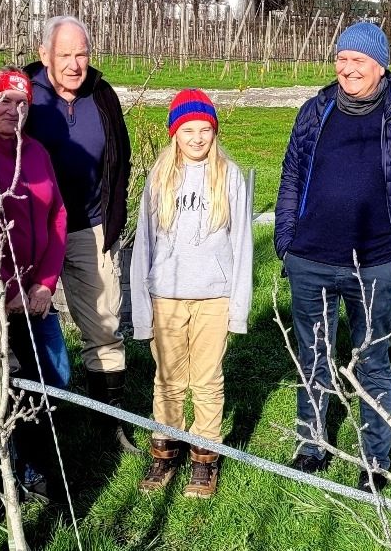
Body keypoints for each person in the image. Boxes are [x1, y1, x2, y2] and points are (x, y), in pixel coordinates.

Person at [274, 21, 391, 492]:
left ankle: (375, 458)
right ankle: (312, 445)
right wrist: (286, 243)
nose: (348, 69)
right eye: (342, 59)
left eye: (359, 61)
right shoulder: (315, 110)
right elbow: (291, 177)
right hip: (310, 258)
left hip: (374, 264)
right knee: (314, 356)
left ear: (380, 66)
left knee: (371, 360)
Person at [130, 89, 253, 498]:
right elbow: (144, 245)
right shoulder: (161, 176)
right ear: (174, 133)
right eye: (188, 130)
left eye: (205, 130)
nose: (197, 138)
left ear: (214, 132)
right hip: (166, 295)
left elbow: (242, 245)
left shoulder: (228, 175)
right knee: (167, 378)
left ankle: (205, 457)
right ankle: (165, 450)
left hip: (213, 297)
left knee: (206, 379)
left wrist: (238, 307)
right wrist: (142, 311)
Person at [24, 15, 137, 452]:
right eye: (65, 54)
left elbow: (120, 157)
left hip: (90, 228)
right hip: (33, 236)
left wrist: (114, 213)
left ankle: (108, 421)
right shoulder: (25, 96)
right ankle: (32, 426)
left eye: (82, 54)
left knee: (105, 326)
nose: (74, 64)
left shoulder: (101, 94)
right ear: (44, 54)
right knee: (24, 327)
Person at [0, 67, 70, 502]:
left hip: (37, 295)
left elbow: (57, 217)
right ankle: (2, 473)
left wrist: (45, 284)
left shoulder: (38, 153)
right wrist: (2, 287)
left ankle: (34, 459)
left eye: (21, 102)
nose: (13, 110)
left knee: (56, 377)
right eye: (4, 100)